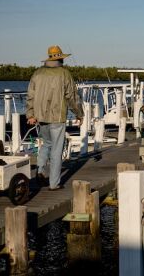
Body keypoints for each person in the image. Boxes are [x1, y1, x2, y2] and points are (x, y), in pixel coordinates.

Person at [26, 45, 83, 190]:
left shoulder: (37, 73)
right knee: (57, 150)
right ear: (61, 58)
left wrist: (31, 115)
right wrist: (79, 114)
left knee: (46, 144)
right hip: (57, 116)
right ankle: (54, 183)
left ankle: (40, 171)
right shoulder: (64, 74)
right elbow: (72, 96)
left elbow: (30, 96)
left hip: (40, 116)